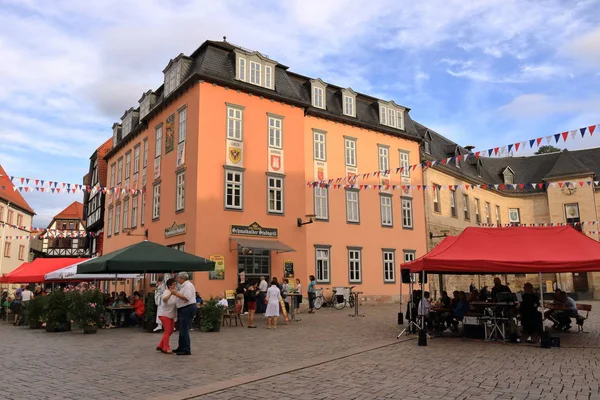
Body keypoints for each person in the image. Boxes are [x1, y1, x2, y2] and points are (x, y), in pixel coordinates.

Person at [171, 272, 197, 355]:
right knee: (182, 329)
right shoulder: (184, 286)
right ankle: (181, 347)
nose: (177, 279)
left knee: (184, 328)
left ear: (182, 278)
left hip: (187, 308)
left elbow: (187, 297)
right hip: (184, 309)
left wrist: (176, 294)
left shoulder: (188, 285)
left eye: (178, 278)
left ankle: (186, 348)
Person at [156, 278, 177, 354]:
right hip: (164, 314)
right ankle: (166, 348)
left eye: (175, 284)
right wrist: (171, 293)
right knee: (167, 331)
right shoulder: (166, 292)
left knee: (171, 331)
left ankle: (160, 345)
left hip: (171, 314)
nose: (175, 285)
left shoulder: (175, 292)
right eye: (173, 284)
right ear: (169, 285)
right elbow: (164, 300)